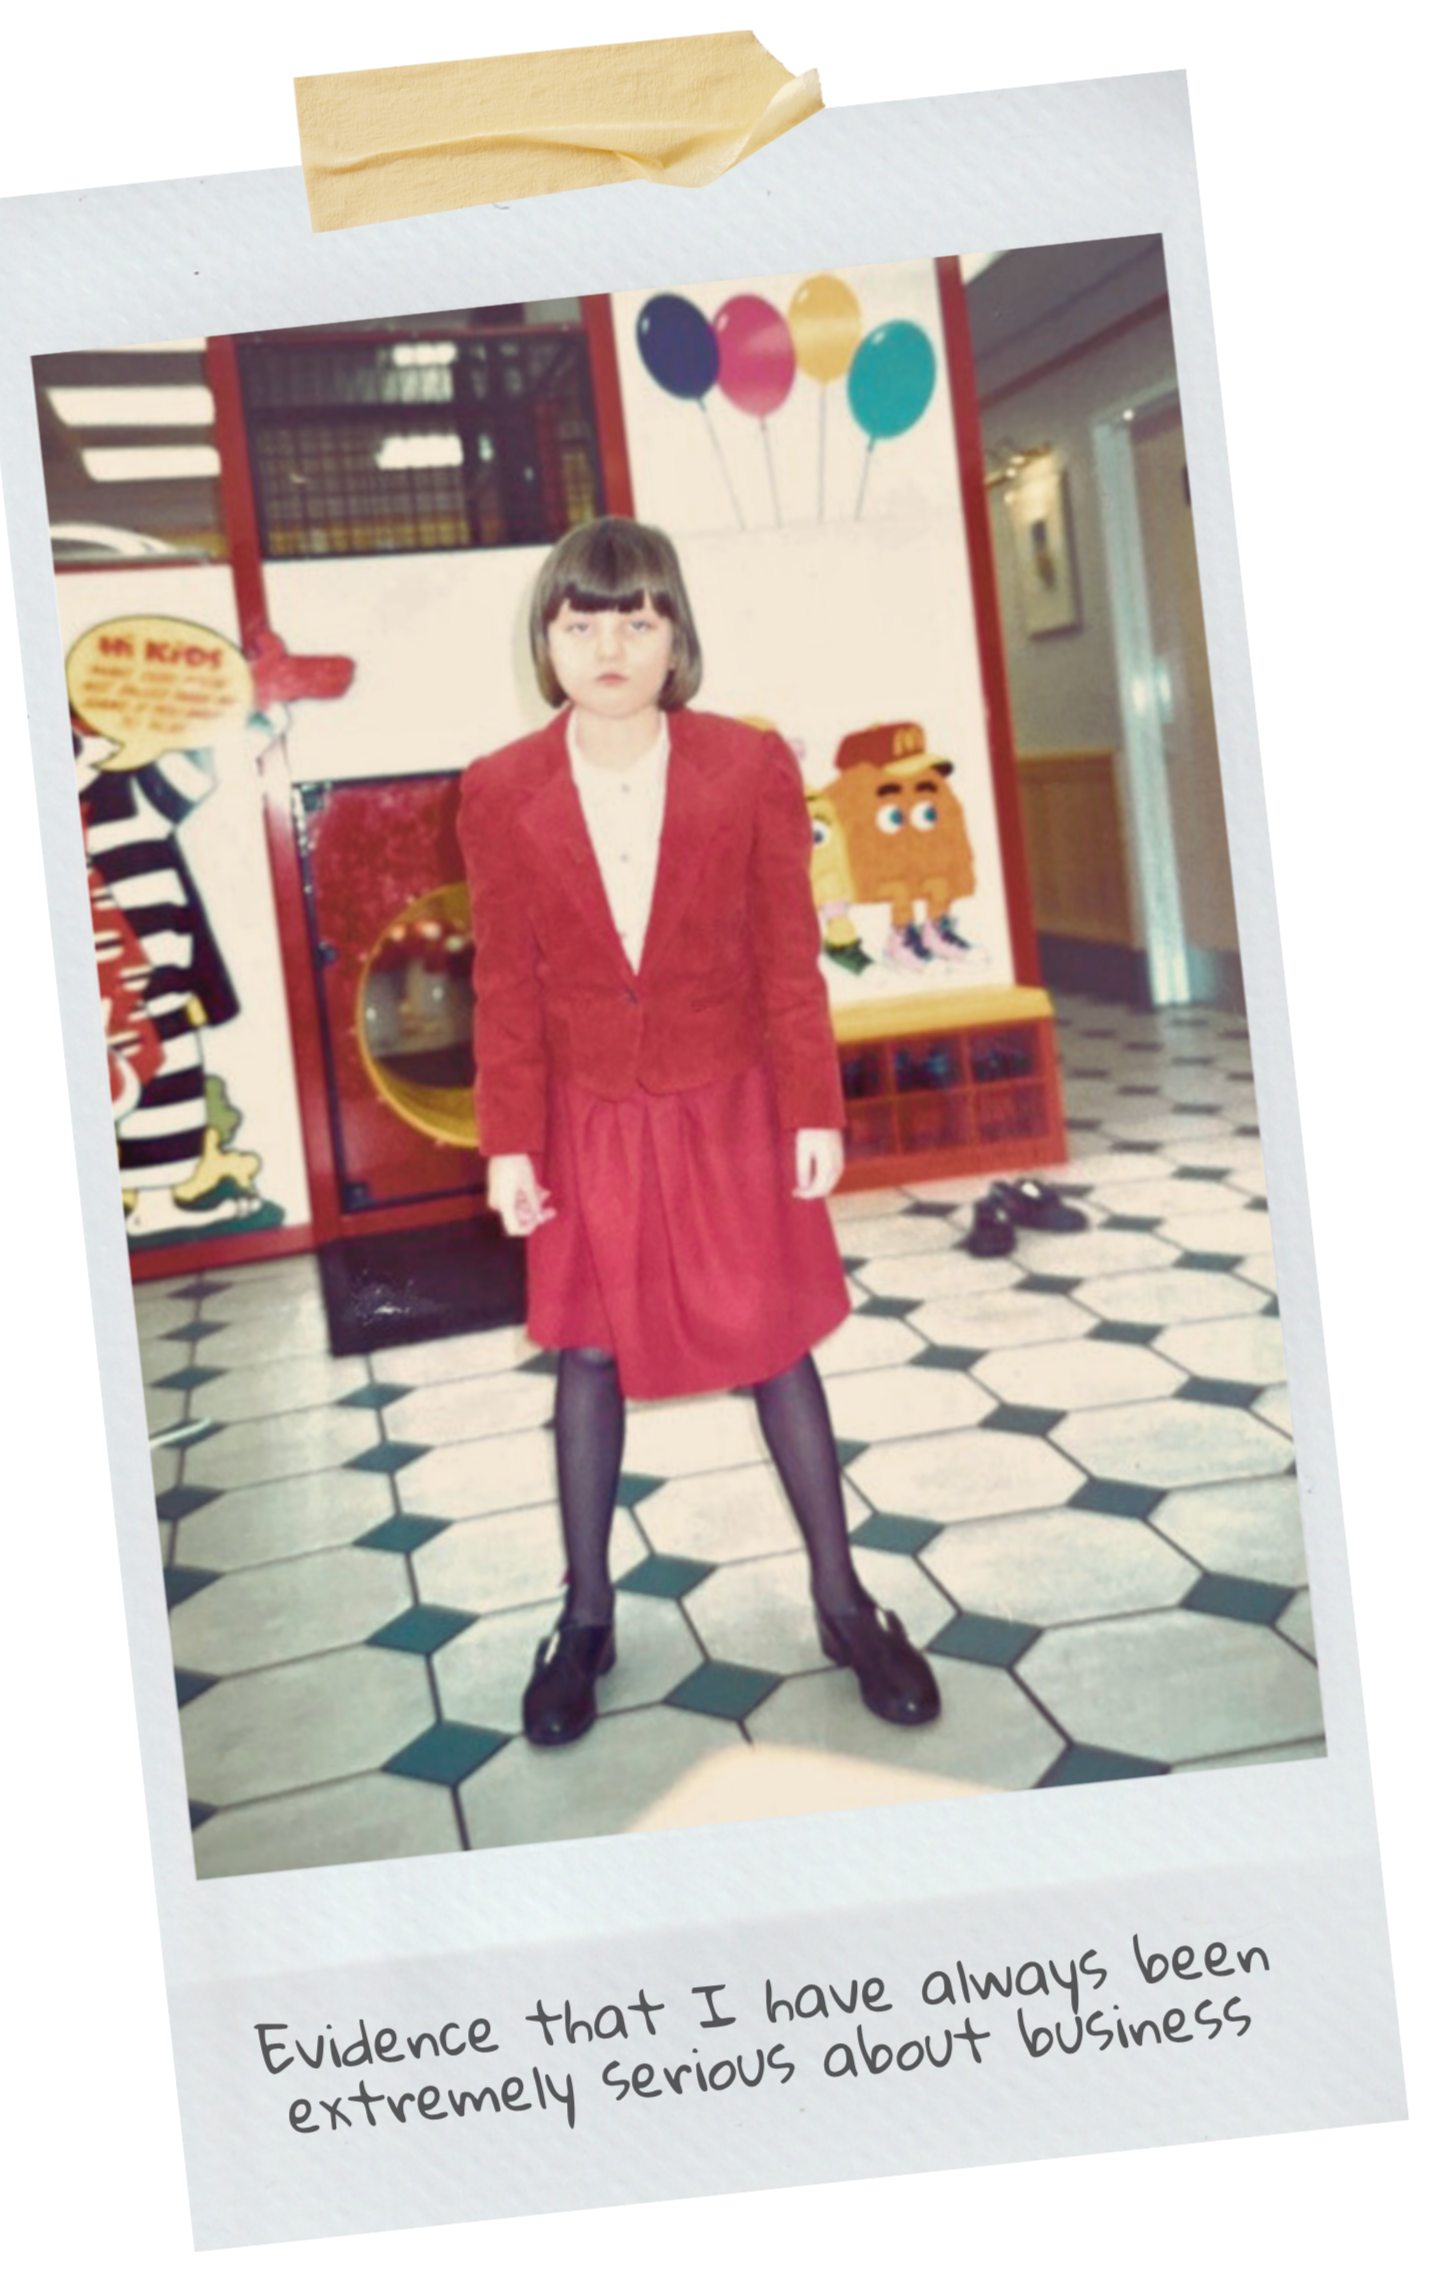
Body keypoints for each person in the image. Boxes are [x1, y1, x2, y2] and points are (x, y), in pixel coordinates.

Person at [457, 517, 940, 1748]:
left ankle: (844, 1600)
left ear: (676, 634)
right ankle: (584, 1616)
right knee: (589, 1355)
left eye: (636, 616)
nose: (608, 643)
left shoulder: (747, 764)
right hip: (587, 1115)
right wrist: (510, 1141)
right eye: (580, 619)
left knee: (778, 1342)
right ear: (546, 638)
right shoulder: (499, 787)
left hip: (729, 1099)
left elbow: (788, 952)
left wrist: (813, 1107)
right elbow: (506, 985)